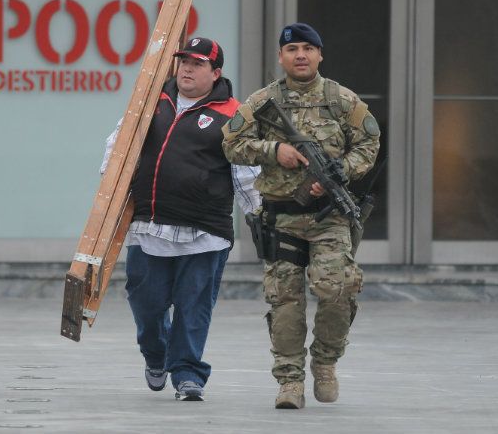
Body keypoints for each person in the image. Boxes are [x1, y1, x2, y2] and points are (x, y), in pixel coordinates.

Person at [222, 23, 380, 409]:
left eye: (309, 48)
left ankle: (325, 362)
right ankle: (290, 381)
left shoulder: (341, 99)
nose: (301, 55)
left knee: (339, 290)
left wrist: (339, 173)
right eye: (292, 48)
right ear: (281, 56)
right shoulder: (263, 101)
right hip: (282, 216)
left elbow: (369, 142)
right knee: (286, 302)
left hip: (329, 217)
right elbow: (231, 143)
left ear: (320, 55)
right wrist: (274, 151)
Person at [100, 37, 260, 401]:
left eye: (198, 63)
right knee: (147, 304)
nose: (187, 68)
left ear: (215, 72)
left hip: (205, 231)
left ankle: (188, 373)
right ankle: (156, 354)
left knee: (194, 306)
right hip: (149, 226)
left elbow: (247, 170)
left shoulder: (234, 114)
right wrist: (109, 189)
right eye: (183, 61)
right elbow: (118, 144)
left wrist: (259, 215)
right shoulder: (152, 100)